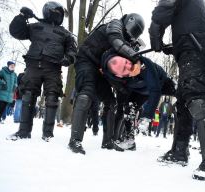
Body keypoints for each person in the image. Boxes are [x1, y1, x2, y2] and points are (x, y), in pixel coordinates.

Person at [149, 0, 205, 180]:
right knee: (182, 103)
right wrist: (173, 48)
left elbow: (165, 9)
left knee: (195, 99)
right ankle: (179, 151)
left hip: (196, 50)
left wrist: (155, 33)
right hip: (192, 50)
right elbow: (189, 25)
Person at [67, 13, 145, 155]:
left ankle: (108, 141)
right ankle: (75, 141)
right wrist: (136, 58)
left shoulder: (125, 40)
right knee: (86, 95)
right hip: (86, 60)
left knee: (111, 102)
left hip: (99, 68)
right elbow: (117, 42)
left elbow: (117, 67)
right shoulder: (115, 25)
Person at [8, 2, 77, 142]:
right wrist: (21, 17)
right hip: (33, 65)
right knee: (28, 96)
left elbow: (73, 51)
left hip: (53, 68)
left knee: (52, 98)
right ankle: (23, 131)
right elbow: (16, 31)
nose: (58, 14)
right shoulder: (35, 26)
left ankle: (48, 134)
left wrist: (68, 58)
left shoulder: (66, 33)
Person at [100, 50, 176, 151]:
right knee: (128, 108)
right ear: (119, 75)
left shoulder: (143, 64)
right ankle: (129, 140)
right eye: (124, 69)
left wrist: (146, 116)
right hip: (139, 90)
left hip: (160, 84)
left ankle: (180, 145)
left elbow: (155, 90)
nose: (129, 66)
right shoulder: (115, 78)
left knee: (182, 95)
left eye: (126, 62)